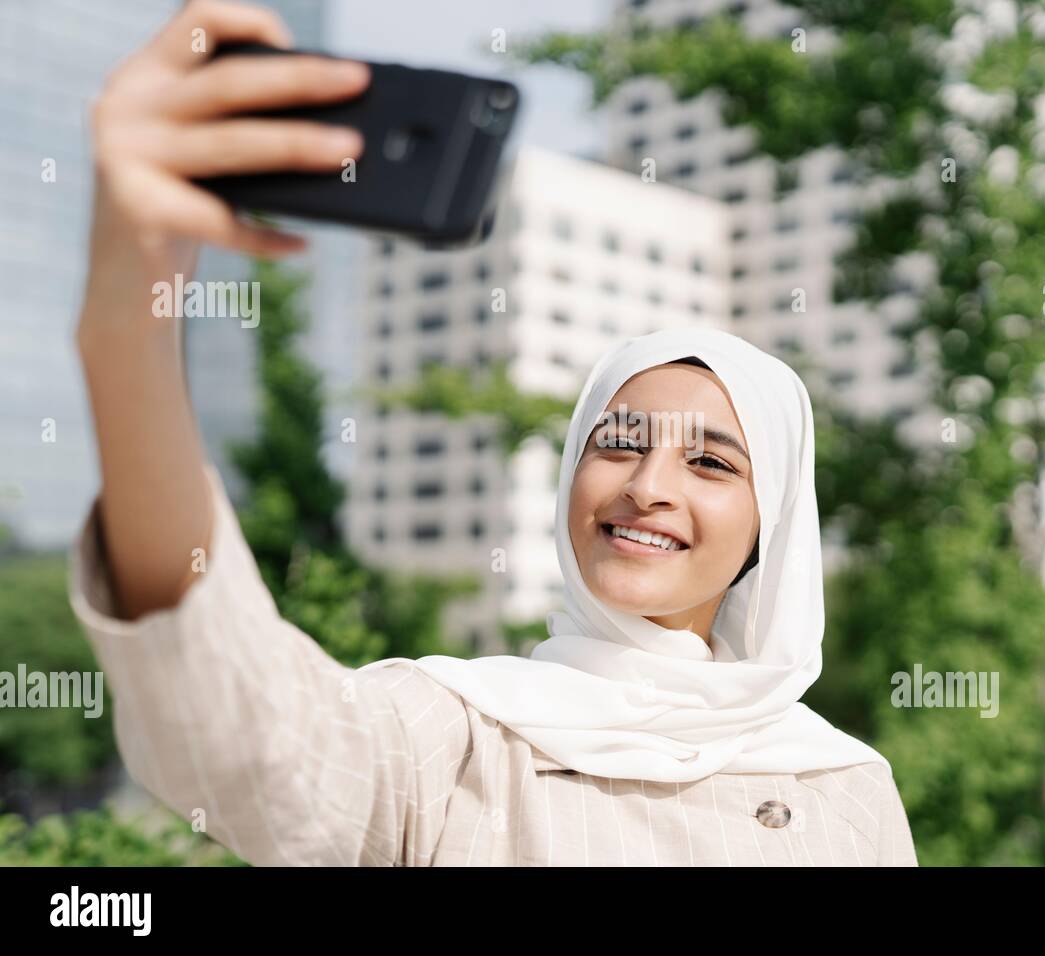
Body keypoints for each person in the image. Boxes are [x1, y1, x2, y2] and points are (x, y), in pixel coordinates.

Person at [69, 0, 917, 866]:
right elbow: (239, 737)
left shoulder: (844, 789)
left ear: (766, 531)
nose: (647, 485)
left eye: (708, 461)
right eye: (617, 441)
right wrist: (125, 320)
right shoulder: (458, 737)